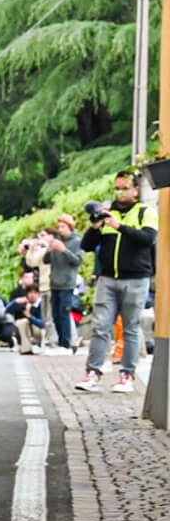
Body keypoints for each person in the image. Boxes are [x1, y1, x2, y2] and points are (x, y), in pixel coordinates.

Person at [75, 168, 157, 393]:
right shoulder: (106, 211)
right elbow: (87, 246)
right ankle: (93, 372)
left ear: (135, 190)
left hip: (136, 278)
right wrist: (95, 225)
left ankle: (127, 376)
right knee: (100, 326)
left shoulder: (144, 212)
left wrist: (120, 226)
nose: (120, 193)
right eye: (117, 188)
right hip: (108, 278)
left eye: (125, 188)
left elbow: (148, 238)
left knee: (131, 328)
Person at [43, 217, 84, 352]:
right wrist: (49, 250)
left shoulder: (77, 241)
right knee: (55, 314)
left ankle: (66, 343)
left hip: (67, 283)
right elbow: (46, 260)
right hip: (54, 282)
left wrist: (64, 250)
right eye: (59, 226)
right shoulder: (56, 241)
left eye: (63, 227)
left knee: (64, 313)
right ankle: (60, 341)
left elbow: (77, 260)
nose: (60, 229)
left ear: (70, 227)